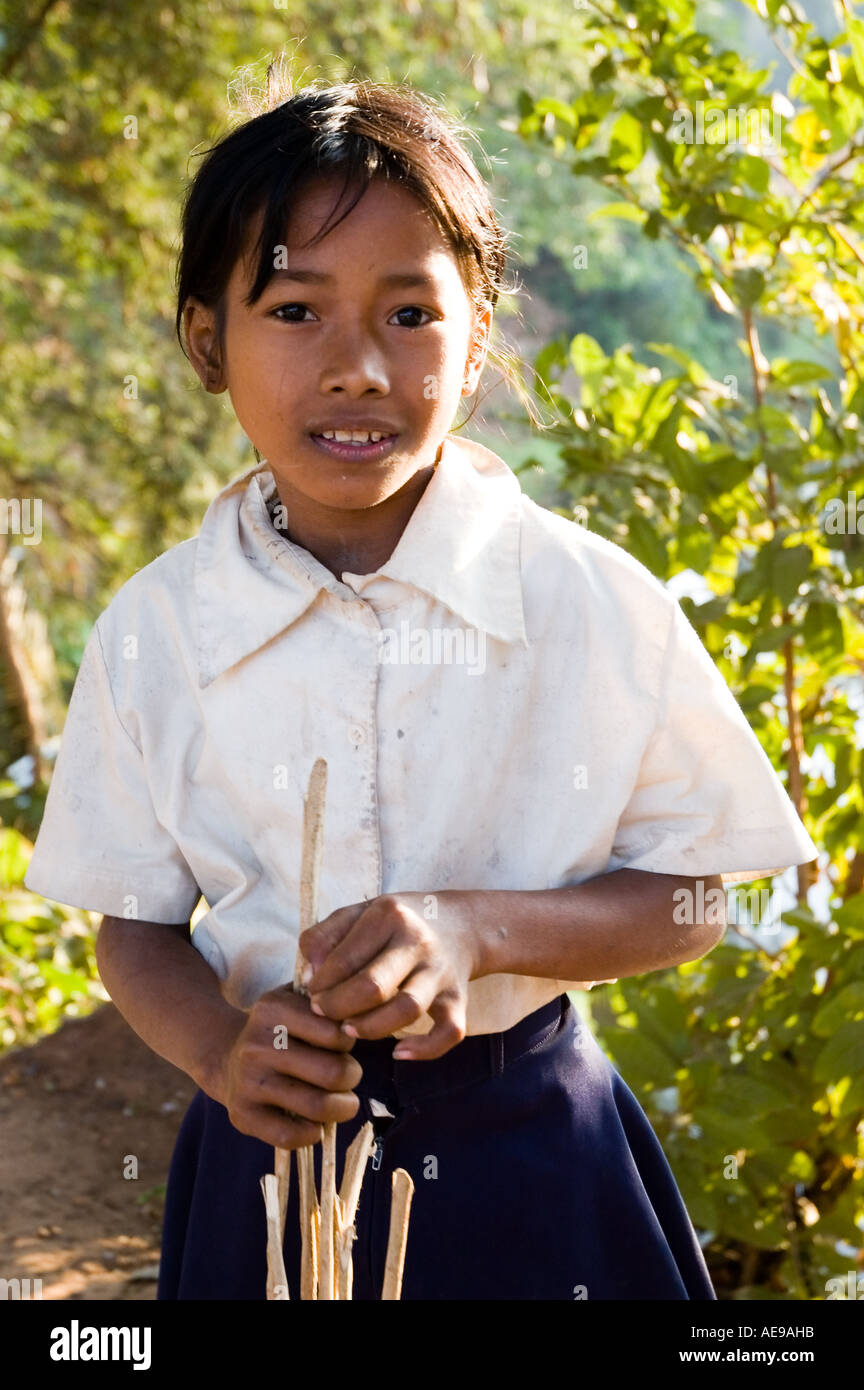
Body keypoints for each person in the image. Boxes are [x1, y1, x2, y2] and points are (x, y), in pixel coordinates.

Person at [25, 77, 819, 1301]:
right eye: (294, 308)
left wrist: (483, 929)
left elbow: (702, 894)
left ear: (479, 334)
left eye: (410, 313)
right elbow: (132, 924)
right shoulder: (158, 630)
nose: (355, 366)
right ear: (204, 342)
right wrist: (225, 1051)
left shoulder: (585, 603)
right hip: (268, 1157)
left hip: (534, 1160)